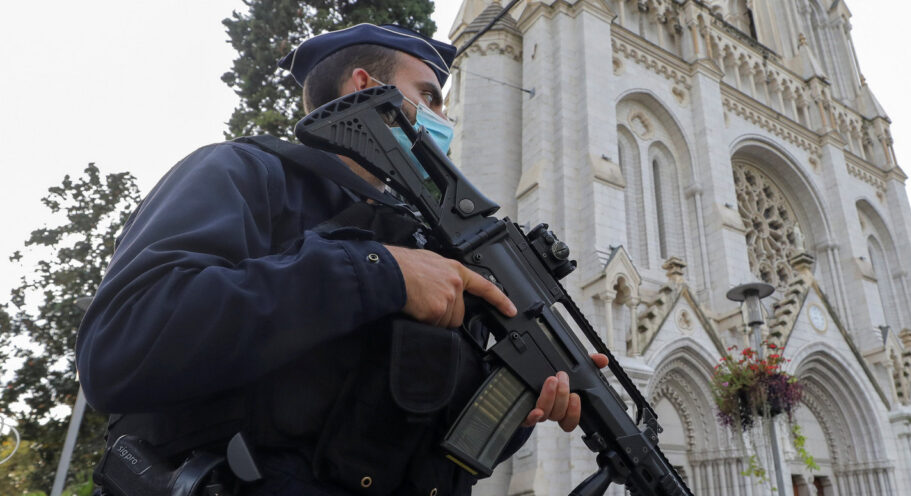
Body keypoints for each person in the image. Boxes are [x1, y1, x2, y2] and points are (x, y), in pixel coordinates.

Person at [77, 24, 607, 495]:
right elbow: (123, 341)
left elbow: (416, 449)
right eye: (430, 96)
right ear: (364, 87)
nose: (445, 119)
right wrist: (381, 274)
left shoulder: (429, 252)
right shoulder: (246, 173)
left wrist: (517, 404)